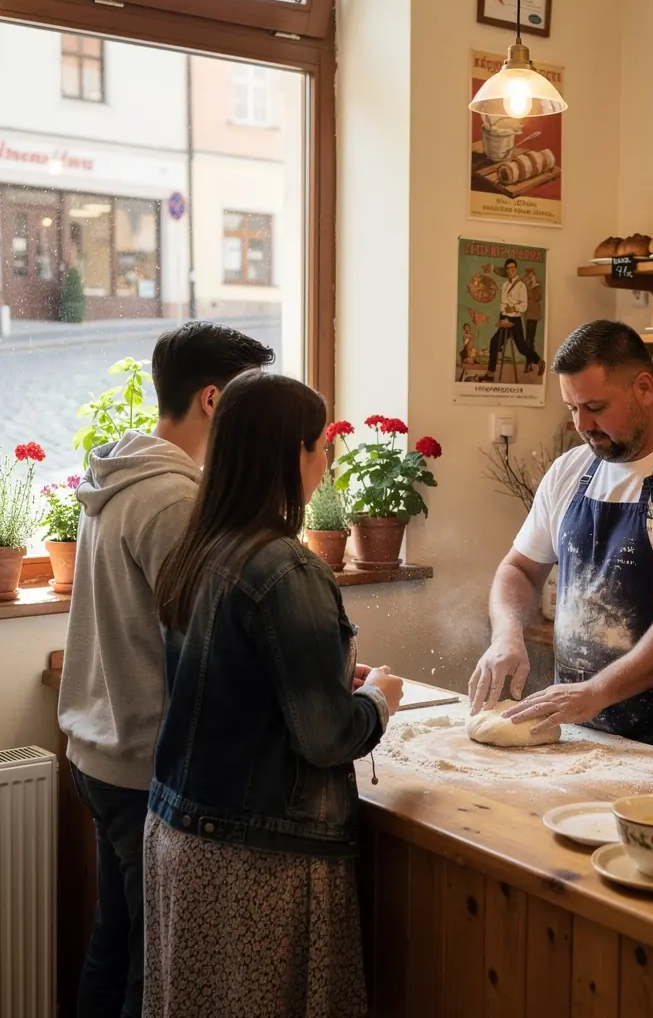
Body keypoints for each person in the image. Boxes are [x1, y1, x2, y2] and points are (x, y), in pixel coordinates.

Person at [145, 370, 403, 1018]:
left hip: (180, 834)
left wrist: (320, 677)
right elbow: (327, 739)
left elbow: (230, 684)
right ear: (294, 453)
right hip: (258, 860)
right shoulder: (287, 566)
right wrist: (378, 700)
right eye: (322, 446)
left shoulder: (198, 549)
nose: (327, 461)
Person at [57, 321, 275, 1018]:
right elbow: (203, 644)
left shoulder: (121, 473)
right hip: (142, 763)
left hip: (98, 749)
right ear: (214, 400)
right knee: (151, 967)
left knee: (113, 943)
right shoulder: (174, 499)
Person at [468, 320, 653, 756]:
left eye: (595, 407)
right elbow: (519, 569)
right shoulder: (571, 469)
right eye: (572, 408)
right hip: (580, 731)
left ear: (644, 388)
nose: (582, 424)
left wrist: (597, 691)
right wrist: (507, 633)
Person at [481, 258, 543, 381]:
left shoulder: (521, 286)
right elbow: (503, 304)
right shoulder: (504, 285)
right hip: (504, 320)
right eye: (508, 269)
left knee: (522, 348)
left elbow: (524, 306)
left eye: (513, 268)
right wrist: (502, 318)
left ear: (516, 269)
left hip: (515, 321)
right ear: (506, 271)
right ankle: (490, 374)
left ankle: (539, 361)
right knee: (494, 342)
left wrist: (514, 308)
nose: (511, 271)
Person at [523, 266, 544, 373]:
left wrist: (533, 287)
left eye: (530, 272)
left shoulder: (537, 282)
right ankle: (530, 363)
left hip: (534, 313)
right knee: (528, 339)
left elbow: (538, 297)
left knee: (530, 339)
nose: (529, 274)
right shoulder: (525, 282)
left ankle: (532, 363)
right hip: (527, 312)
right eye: (527, 272)